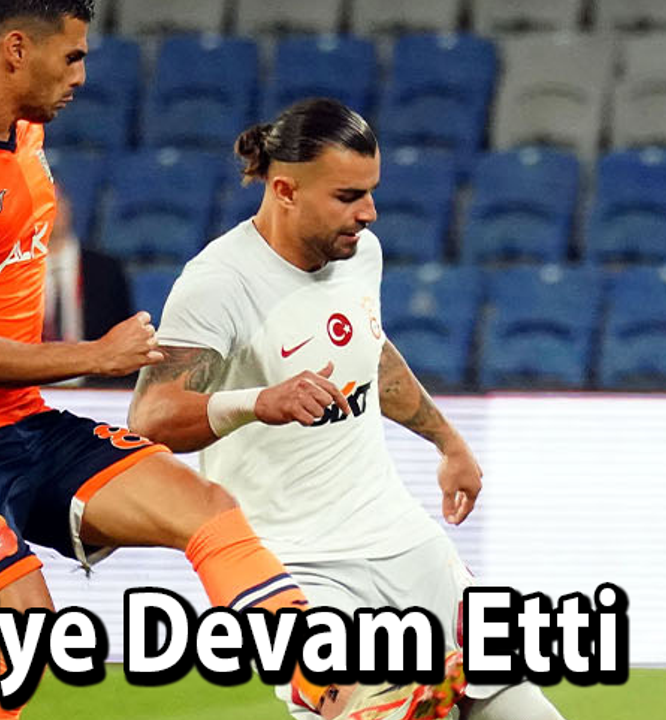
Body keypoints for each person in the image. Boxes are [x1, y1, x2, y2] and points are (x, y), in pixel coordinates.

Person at [0, 3, 462, 719]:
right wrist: (97, 355)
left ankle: (326, 686)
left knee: (207, 510)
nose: (82, 74)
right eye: (73, 55)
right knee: (20, 646)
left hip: (20, 424)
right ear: (17, 49)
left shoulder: (16, 128)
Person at [129, 98, 567, 720]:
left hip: (403, 540)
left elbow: (372, 353)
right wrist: (259, 401)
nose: (369, 212)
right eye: (348, 196)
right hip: (298, 568)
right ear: (285, 190)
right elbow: (151, 416)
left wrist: (447, 441)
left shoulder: (361, 254)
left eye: (371, 192)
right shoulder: (219, 283)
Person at [43, 189, 133, 345]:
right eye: (44, 203)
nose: (53, 209)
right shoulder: (16, 272)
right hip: (36, 359)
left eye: (57, 201)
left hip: (98, 359)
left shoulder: (107, 270)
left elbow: (124, 337)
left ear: (68, 206)